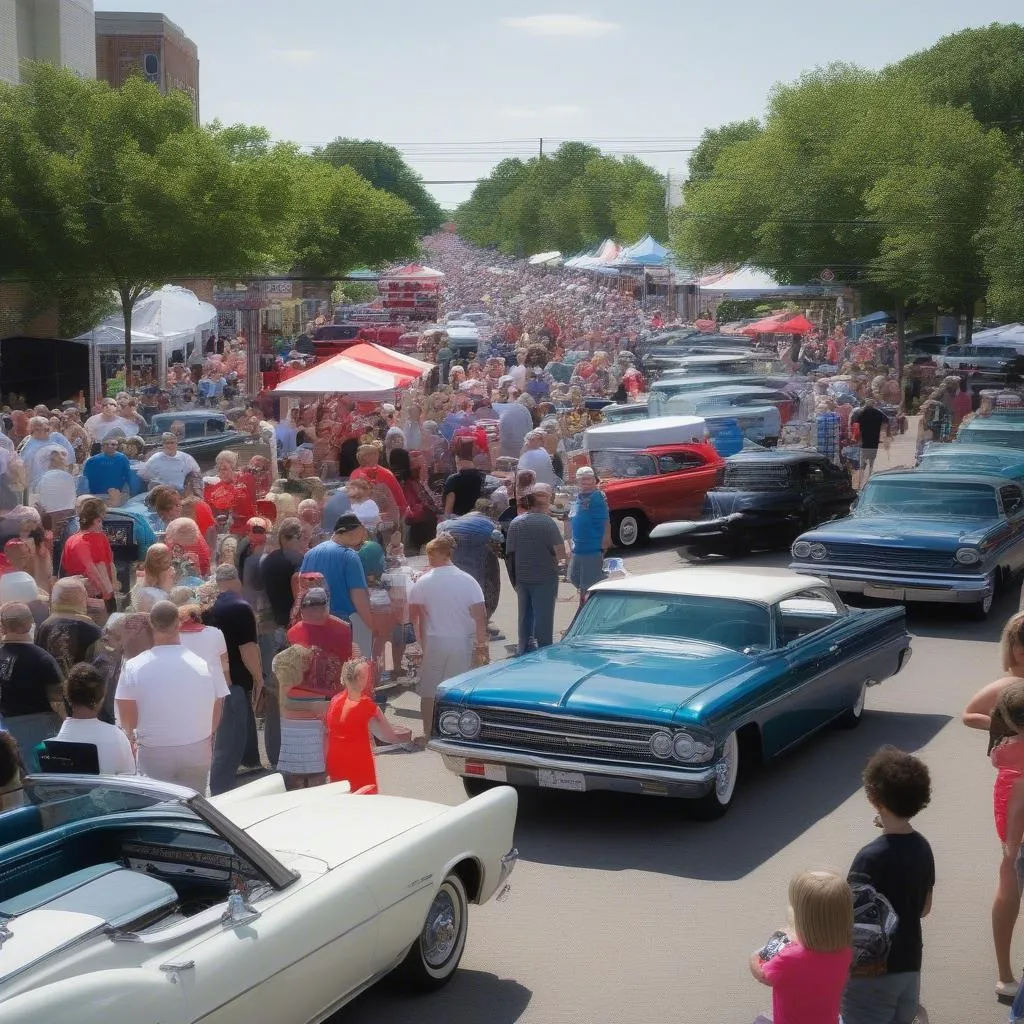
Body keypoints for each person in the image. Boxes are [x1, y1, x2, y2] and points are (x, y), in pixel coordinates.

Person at [841, 747, 934, 1024]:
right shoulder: (923, 847)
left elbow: (848, 918)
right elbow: (924, 908)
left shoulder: (870, 858)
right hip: (909, 964)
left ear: (873, 798)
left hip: (871, 974)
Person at [117, 601, 226, 791]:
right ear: (179, 624)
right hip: (197, 747)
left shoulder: (134, 666)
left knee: (159, 810)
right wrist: (205, 735)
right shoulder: (203, 664)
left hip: (153, 750)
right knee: (193, 807)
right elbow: (217, 705)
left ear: (151, 624)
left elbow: (128, 719)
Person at [749, 870, 853, 1024]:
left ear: (801, 918)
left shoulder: (790, 957)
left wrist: (755, 957)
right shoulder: (847, 951)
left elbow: (763, 975)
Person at [408, 535, 489, 731]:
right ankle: (454, 731)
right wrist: (481, 645)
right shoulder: (468, 581)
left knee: (429, 690)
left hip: (435, 641)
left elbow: (414, 616)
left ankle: (428, 732)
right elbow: (480, 616)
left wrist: (420, 643)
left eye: (430, 554)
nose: (428, 558)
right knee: (456, 690)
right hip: (462, 641)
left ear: (443, 554)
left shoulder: (423, 581)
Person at [203, 564, 264, 794]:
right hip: (234, 681)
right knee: (229, 739)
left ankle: (249, 764)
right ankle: (221, 789)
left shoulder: (208, 605)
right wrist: (259, 677)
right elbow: (247, 648)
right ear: (237, 581)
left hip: (212, 679)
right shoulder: (240, 607)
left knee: (231, 732)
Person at [325, 658, 412, 792]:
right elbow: (388, 736)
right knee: (364, 802)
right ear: (361, 679)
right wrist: (405, 740)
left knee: (341, 802)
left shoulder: (335, 700)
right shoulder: (368, 707)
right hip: (358, 763)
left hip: (335, 761)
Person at [300, 513, 376, 662]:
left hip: (316, 621)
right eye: (362, 532)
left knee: (324, 672)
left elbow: (301, 587)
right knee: (356, 674)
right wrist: (372, 624)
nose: (364, 537)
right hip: (347, 623)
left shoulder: (310, 554)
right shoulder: (349, 556)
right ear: (351, 532)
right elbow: (358, 596)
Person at [0, 602, 64, 771]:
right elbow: (57, 702)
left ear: (3, 627)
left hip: (4, 735)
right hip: (37, 735)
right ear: (29, 623)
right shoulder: (43, 659)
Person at [505, 488, 567, 654]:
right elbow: (560, 550)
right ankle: (545, 648)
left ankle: (523, 646)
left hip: (522, 576)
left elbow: (510, 551)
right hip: (545, 576)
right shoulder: (547, 523)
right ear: (543, 505)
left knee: (525, 614)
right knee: (544, 616)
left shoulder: (516, 523)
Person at [53, 663, 136, 774]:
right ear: (101, 698)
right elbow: (128, 779)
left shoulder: (50, 748)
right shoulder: (116, 736)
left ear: (68, 698)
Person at [272, 644, 328, 789]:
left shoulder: (303, 675)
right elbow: (286, 702)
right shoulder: (286, 673)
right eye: (305, 660)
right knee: (305, 786)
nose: (308, 663)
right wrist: (312, 706)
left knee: (305, 787)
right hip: (300, 739)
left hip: (303, 740)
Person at [36, 577, 103, 679]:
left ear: (53, 598)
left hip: (49, 691)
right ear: (84, 598)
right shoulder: (94, 630)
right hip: (81, 692)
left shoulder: (44, 627)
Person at [60, 497, 117, 611]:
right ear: (97, 520)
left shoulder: (71, 540)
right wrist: (108, 594)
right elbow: (96, 569)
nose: (101, 525)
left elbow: (64, 570)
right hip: (96, 597)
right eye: (101, 520)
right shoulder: (98, 538)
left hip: (75, 596)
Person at [566, 467, 611, 601]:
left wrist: (606, 538)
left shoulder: (597, 496)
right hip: (577, 546)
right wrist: (567, 541)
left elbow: (606, 520)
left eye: (588, 479)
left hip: (592, 546)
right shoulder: (576, 497)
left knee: (587, 585)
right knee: (573, 577)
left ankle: (585, 608)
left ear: (594, 480)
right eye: (581, 479)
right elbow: (569, 518)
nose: (585, 482)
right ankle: (604, 582)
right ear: (577, 481)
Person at [177, 604, 229, 691]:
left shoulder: (173, 636)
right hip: (212, 683)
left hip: (183, 684)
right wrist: (227, 681)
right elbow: (224, 660)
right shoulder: (215, 632)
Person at [850, 398, 889, 487]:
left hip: (863, 442)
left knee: (862, 464)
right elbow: (886, 420)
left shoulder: (860, 413)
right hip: (874, 441)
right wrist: (882, 431)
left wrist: (855, 437)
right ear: (873, 404)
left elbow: (854, 424)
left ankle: (860, 484)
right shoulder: (878, 413)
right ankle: (869, 481)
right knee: (871, 462)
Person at [82, 435, 133, 502]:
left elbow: (128, 477)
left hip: (115, 496)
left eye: (113, 444)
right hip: (96, 495)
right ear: (102, 446)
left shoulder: (123, 459)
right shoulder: (92, 460)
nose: (110, 446)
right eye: (106, 444)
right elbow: (85, 478)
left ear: (117, 446)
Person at [443, 445, 486, 517]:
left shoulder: (453, 480)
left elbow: (448, 511)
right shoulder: (484, 478)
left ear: (458, 459)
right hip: (479, 521)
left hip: (459, 523)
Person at [35, 447, 77, 512]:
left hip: (49, 514)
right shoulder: (68, 477)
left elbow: (38, 493)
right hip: (68, 514)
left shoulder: (44, 477)